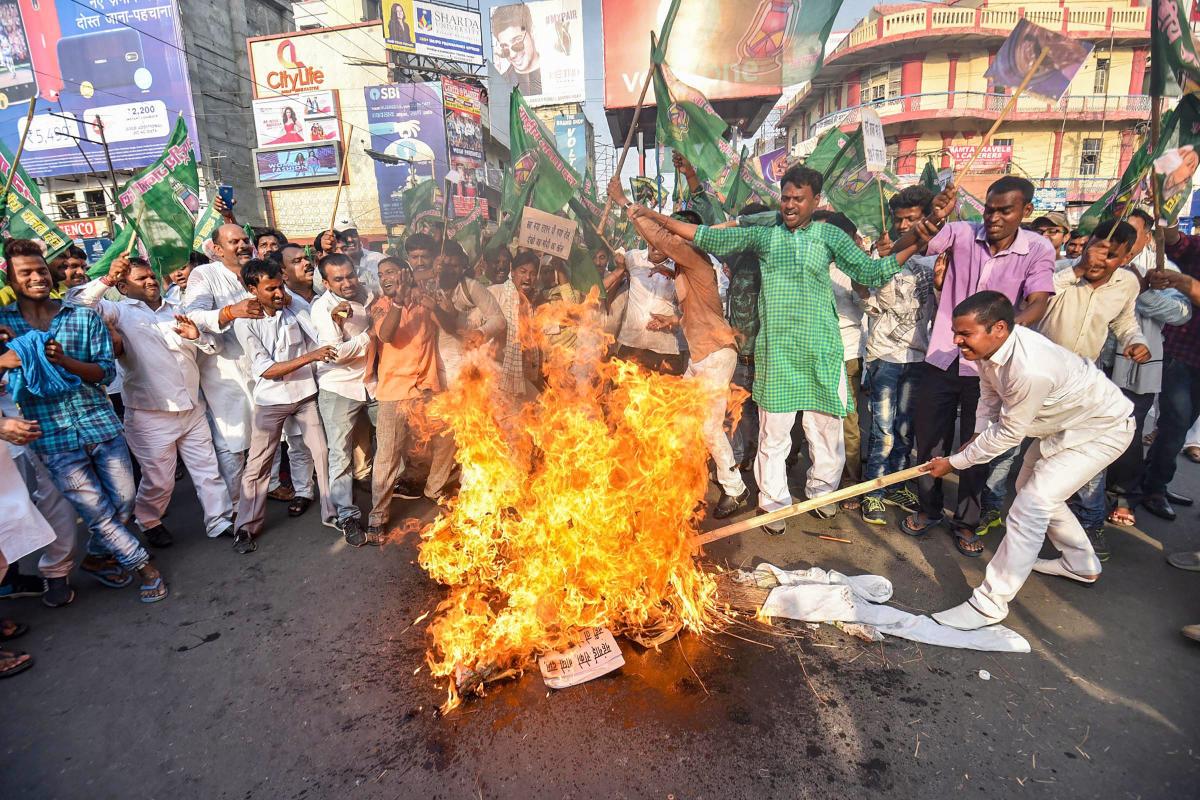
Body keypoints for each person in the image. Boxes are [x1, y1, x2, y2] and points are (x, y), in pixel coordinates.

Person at [627, 165, 923, 530]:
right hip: (777, 351)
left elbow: (871, 272)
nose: (790, 205)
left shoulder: (830, 237)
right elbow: (706, 237)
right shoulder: (766, 238)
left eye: (799, 199)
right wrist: (655, 216)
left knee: (825, 431)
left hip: (821, 351)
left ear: (815, 200)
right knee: (773, 435)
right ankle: (774, 503)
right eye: (785, 197)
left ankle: (822, 494)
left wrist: (916, 243)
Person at [928, 292, 1134, 630]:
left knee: (1032, 504)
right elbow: (989, 394)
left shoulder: (1029, 368)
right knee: (1028, 488)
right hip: (1062, 424)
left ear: (998, 328)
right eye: (956, 332)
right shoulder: (987, 350)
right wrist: (976, 434)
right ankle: (1081, 563)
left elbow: (1009, 434)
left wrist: (956, 462)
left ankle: (989, 604)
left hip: (1102, 428)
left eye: (965, 334)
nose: (956, 340)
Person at [0, 239, 168, 602]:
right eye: (25, 273)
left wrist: (64, 363)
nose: (36, 278)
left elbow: (105, 374)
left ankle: (95, 557)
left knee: (123, 503)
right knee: (97, 511)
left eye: (41, 270)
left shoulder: (81, 316)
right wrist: (5, 361)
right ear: (10, 280)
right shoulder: (4, 325)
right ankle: (143, 567)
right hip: (52, 436)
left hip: (100, 424)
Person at [902, 177, 1055, 556]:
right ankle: (928, 508)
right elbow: (912, 243)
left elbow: (1038, 302)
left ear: (1025, 211)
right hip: (943, 355)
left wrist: (999, 339)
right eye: (990, 209)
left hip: (990, 366)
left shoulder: (1038, 248)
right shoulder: (960, 231)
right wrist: (933, 218)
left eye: (1006, 210)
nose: (995, 218)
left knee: (978, 443)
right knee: (930, 438)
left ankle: (966, 520)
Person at [68, 257, 235, 546]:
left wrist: (196, 338)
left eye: (152, 276)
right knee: (160, 479)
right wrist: (106, 280)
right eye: (140, 278)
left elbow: (211, 346)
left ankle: (219, 520)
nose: (150, 281)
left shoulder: (178, 309)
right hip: (150, 414)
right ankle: (148, 519)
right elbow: (76, 304)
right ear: (122, 286)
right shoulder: (117, 311)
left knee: (207, 470)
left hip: (192, 407)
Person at [613, 179, 749, 518]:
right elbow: (698, 311)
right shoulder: (684, 268)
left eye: (675, 232)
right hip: (701, 357)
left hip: (717, 355)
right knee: (681, 420)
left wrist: (624, 202)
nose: (667, 240)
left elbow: (659, 238)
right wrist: (672, 322)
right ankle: (685, 485)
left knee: (708, 427)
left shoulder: (697, 261)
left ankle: (736, 489)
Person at [1036, 220, 1149, 559]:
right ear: (1084, 245)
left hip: (1086, 378)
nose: (1101, 261)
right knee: (1012, 449)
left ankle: (1090, 524)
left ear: (1125, 258)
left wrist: (1135, 341)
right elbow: (1035, 298)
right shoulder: (1059, 273)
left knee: (1086, 455)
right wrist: (1077, 271)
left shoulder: (1127, 284)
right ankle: (992, 510)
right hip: (1039, 375)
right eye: (1095, 249)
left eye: (1112, 256)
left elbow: (1125, 321)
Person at [232, 260, 337, 554]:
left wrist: (296, 303)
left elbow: (318, 333)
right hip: (271, 401)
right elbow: (266, 369)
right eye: (271, 289)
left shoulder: (293, 307)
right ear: (252, 290)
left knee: (322, 453)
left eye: (281, 286)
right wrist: (311, 357)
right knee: (258, 465)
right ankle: (246, 527)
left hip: (305, 394)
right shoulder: (244, 322)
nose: (279, 293)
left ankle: (333, 513)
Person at [859, 186, 940, 525]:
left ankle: (897, 484)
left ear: (927, 220)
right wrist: (872, 269)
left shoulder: (937, 259)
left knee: (906, 430)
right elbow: (864, 297)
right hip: (885, 356)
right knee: (884, 429)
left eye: (913, 219)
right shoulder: (882, 258)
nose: (905, 225)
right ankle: (873, 491)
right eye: (900, 220)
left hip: (919, 356)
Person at [1107, 209, 1192, 528]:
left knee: (1129, 430)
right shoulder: (1099, 258)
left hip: (1137, 366)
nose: (1121, 238)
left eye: (1130, 231)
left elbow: (1181, 313)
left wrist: (1141, 291)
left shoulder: (1162, 269)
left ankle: (1123, 495)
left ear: (1146, 237)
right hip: (1094, 360)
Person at [367, 257, 450, 542]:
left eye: (390, 271)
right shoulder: (380, 305)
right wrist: (399, 304)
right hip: (394, 394)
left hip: (428, 389)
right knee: (388, 455)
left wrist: (435, 305)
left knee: (448, 438)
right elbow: (387, 335)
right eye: (380, 274)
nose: (385, 277)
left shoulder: (425, 300)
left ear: (404, 273)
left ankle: (435, 488)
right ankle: (378, 516)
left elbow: (452, 325)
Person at [182, 224, 265, 506]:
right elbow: (193, 313)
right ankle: (237, 502)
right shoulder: (204, 274)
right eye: (234, 242)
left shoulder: (257, 269)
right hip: (224, 369)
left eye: (245, 240)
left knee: (266, 433)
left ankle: (267, 488)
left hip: (262, 365)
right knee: (232, 442)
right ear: (217, 250)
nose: (243, 245)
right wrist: (230, 311)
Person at [1136, 222, 1200, 521]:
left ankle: (1152, 480)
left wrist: (1184, 283)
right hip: (1184, 354)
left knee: (1181, 427)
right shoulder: (1196, 249)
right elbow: (1175, 241)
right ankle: (1154, 488)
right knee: (1174, 427)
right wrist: (1169, 213)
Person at [310, 253, 375, 546]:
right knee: (340, 454)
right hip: (339, 388)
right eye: (339, 279)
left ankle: (379, 494)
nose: (347, 282)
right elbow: (334, 354)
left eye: (350, 275)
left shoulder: (368, 294)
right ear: (326, 282)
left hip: (370, 383)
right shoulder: (322, 309)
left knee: (384, 441)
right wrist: (371, 336)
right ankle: (346, 515)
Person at [809, 210, 868, 502]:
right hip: (813, 352)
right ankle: (821, 477)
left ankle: (851, 483)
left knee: (846, 421)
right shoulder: (812, 264)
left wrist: (860, 277)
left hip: (845, 353)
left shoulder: (852, 268)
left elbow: (869, 303)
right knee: (816, 420)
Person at [725, 203, 770, 473]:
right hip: (738, 353)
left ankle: (754, 456)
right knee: (735, 408)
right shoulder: (737, 258)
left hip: (763, 354)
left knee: (759, 413)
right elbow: (709, 228)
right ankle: (739, 457)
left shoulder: (771, 261)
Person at [613, 233, 684, 375]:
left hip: (664, 348)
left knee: (663, 395)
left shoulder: (680, 267)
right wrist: (619, 261)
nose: (656, 246)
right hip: (630, 343)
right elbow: (618, 263)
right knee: (621, 393)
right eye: (653, 240)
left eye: (661, 242)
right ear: (646, 240)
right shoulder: (633, 258)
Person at [492, 2, 542, 96]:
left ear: (532, 32)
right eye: (505, 48)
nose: (512, 55)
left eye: (517, 43)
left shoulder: (555, 71)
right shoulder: (503, 82)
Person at [337, 228, 385, 293]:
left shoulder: (378, 258)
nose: (350, 239)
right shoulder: (335, 266)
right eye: (344, 237)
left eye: (353, 235)